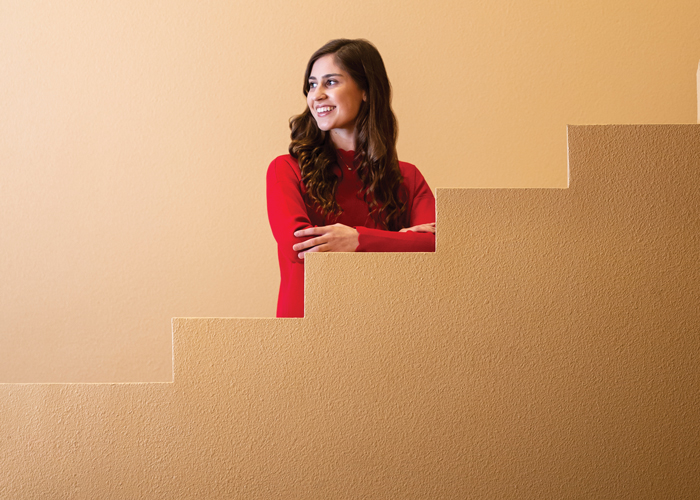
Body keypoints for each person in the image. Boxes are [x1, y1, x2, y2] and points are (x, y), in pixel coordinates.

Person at [266, 39, 436, 318]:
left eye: (330, 82)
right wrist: (396, 241)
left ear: (365, 90)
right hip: (306, 327)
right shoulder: (285, 169)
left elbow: (436, 246)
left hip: (387, 326)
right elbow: (300, 248)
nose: (316, 95)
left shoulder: (407, 176)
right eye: (312, 84)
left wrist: (357, 239)